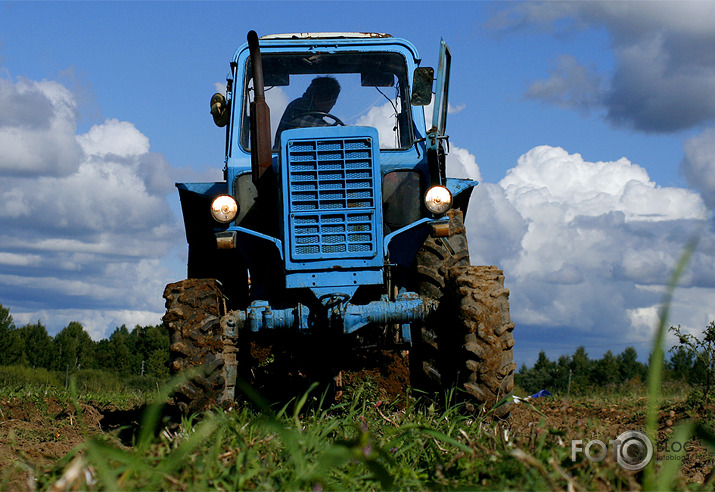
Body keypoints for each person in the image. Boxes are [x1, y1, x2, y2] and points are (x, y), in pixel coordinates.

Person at [274, 76, 341, 145]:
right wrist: (340, 131)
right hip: (289, 153)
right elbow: (308, 123)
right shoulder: (298, 106)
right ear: (322, 99)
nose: (333, 105)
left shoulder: (315, 114)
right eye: (333, 102)